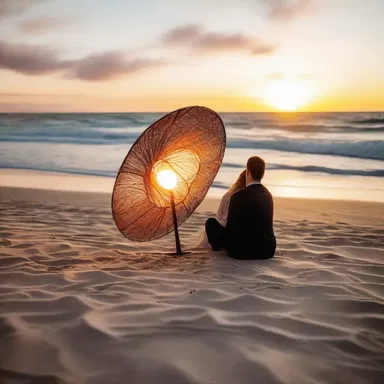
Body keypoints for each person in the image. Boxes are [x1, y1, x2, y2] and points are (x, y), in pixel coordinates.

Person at [205, 156, 276, 260]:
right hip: (267, 251)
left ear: (248, 172)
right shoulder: (268, 195)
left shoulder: (238, 196)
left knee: (210, 223)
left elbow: (231, 229)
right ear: (263, 173)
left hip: (240, 252)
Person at [195, 170, 246, 249]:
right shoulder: (251, 198)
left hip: (227, 233)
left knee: (211, 222)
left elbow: (219, 216)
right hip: (239, 235)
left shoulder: (228, 195)